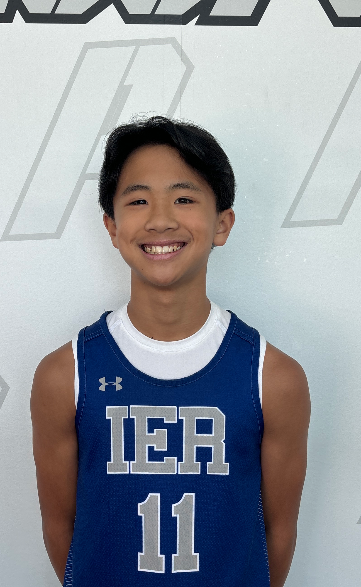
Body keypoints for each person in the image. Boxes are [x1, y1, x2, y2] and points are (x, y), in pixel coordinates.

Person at [30, 116, 311, 587]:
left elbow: (277, 534)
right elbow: (62, 529)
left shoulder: (272, 377)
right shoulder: (66, 375)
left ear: (222, 223)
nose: (160, 219)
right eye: (138, 200)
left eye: (183, 198)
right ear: (112, 226)